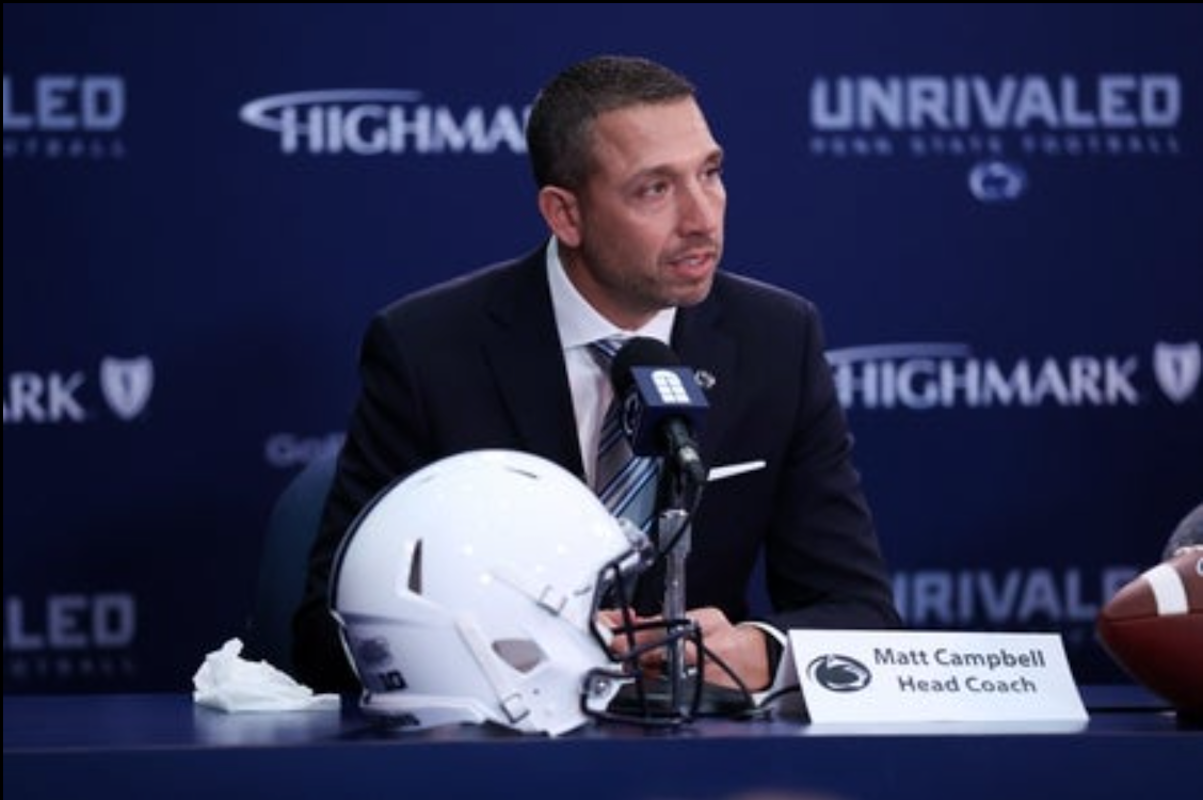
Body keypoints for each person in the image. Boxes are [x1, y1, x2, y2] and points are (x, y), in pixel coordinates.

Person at [292, 54, 901, 702]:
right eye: (654, 189)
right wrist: (534, 646)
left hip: (693, 757)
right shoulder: (429, 349)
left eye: (710, 173)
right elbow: (328, 631)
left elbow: (857, 614)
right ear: (565, 215)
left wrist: (759, 652)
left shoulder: (776, 340)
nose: (702, 219)